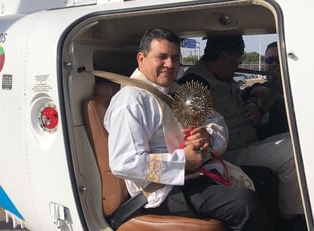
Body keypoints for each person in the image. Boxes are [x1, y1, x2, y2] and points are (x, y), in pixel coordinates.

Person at [104, 28, 273, 230]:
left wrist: (208, 138)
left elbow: (217, 122)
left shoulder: (178, 91)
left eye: (175, 58)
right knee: (243, 203)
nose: (170, 64)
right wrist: (184, 161)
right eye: (162, 57)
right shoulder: (131, 101)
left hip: (198, 174)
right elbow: (124, 162)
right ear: (141, 58)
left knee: (265, 178)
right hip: (164, 190)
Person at [178, 35, 305, 231]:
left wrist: (255, 105)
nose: (240, 63)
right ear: (226, 56)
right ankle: (291, 221)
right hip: (227, 156)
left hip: (247, 144)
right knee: (292, 153)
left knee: (301, 140)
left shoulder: (226, 80)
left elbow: (236, 103)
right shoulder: (195, 84)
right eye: (239, 57)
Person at [242, 42, 288, 140]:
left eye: (279, 60)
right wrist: (253, 104)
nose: (274, 64)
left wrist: (272, 98)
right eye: (269, 60)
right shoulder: (258, 88)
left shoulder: (298, 92)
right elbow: (241, 96)